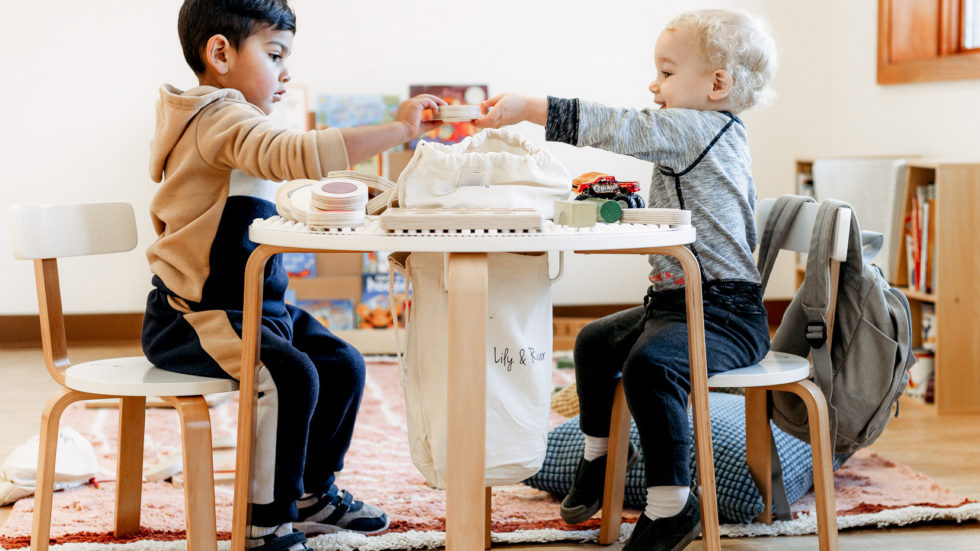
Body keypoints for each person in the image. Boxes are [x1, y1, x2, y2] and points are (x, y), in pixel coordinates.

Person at [140, 1, 444, 550]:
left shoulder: (233, 122)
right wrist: (399, 129)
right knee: (290, 377)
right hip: (196, 315)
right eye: (275, 54)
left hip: (256, 307)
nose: (286, 71)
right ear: (220, 53)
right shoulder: (218, 116)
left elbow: (282, 179)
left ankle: (309, 493)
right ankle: (264, 521)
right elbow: (296, 156)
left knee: (342, 363)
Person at [474, 8, 777, 551]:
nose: (652, 84)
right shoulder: (703, 134)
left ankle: (672, 508)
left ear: (717, 84)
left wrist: (530, 108)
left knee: (651, 367)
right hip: (675, 302)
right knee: (592, 342)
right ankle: (602, 453)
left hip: (724, 314)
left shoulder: (700, 127)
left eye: (665, 72)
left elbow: (620, 125)